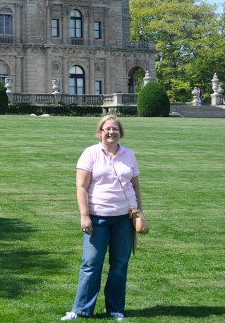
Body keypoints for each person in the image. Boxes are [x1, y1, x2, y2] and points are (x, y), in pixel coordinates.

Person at [61, 115, 143, 322]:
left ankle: (115, 309)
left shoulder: (128, 155)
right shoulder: (90, 153)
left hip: (124, 219)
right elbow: (81, 186)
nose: (111, 132)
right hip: (97, 218)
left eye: (115, 129)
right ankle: (81, 309)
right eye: (106, 129)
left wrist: (139, 212)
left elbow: (135, 186)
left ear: (120, 132)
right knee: (91, 264)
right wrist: (84, 215)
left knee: (119, 264)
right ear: (99, 132)